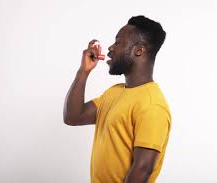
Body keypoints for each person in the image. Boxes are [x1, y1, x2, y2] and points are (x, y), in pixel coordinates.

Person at [63, 15, 172, 183]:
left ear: (139, 50)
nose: (110, 48)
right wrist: (83, 71)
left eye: (118, 42)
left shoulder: (152, 105)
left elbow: (142, 170)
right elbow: (73, 116)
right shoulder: (114, 93)